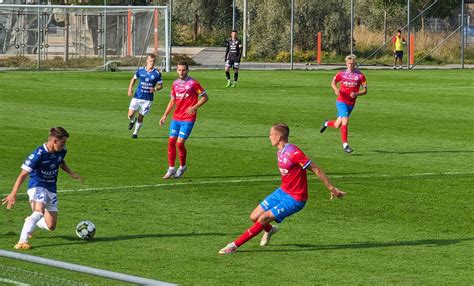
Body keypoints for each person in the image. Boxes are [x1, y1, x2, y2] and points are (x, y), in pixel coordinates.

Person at [219, 123, 345, 255]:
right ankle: (270, 230)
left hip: (296, 198)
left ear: (278, 137)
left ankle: (233, 246)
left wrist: (332, 188)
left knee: (263, 218)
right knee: (254, 217)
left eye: (271, 135)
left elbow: (316, 169)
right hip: (282, 191)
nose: (269, 137)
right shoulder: (280, 150)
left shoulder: (294, 153)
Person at [2, 127, 82, 250]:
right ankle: (22, 241)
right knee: (39, 211)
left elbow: (60, 161)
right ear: (54, 141)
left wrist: (71, 173)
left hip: (51, 188)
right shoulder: (38, 154)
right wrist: (13, 193)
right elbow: (23, 174)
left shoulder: (62, 151)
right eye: (63, 142)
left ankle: (31, 220)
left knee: (51, 226)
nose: (64, 145)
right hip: (37, 185)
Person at [159, 62, 209, 179]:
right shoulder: (175, 84)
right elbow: (172, 101)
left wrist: (194, 107)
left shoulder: (193, 83)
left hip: (188, 118)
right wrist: (165, 115)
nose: (181, 72)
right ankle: (171, 168)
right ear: (176, 71)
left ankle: (182, 166)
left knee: (179, 143)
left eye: (183, 70)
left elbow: (205, 97)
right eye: (179, 70)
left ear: (187, 70)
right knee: (171, 141)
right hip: (176, 117)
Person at [319, 54, 367, 154]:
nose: (351, 65)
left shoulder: (360, 76)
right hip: (341, 101)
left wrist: (357, 93)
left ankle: (326, 123)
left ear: (355, 64)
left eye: (353, 63)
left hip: (351, 103)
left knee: (337, 125)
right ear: (346, 63)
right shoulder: (341, 74)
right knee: (345, 120)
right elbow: (332, 83)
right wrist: (336, 89)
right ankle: (345, 145)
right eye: (349, 63)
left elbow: (365, 90)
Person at [127, 53, 163, 139]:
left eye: (153, 61)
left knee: (140, 116)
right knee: (130, 114)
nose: (152, 63)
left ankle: (135, 133)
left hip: (148, 99)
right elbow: (134, 79)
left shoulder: (157, 73)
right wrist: (130, 89)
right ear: (147, 61)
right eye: (150, 61)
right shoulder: (140, 70)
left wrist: (155, 89)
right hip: (137, 96)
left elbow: (161, 85)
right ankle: (132, 121)